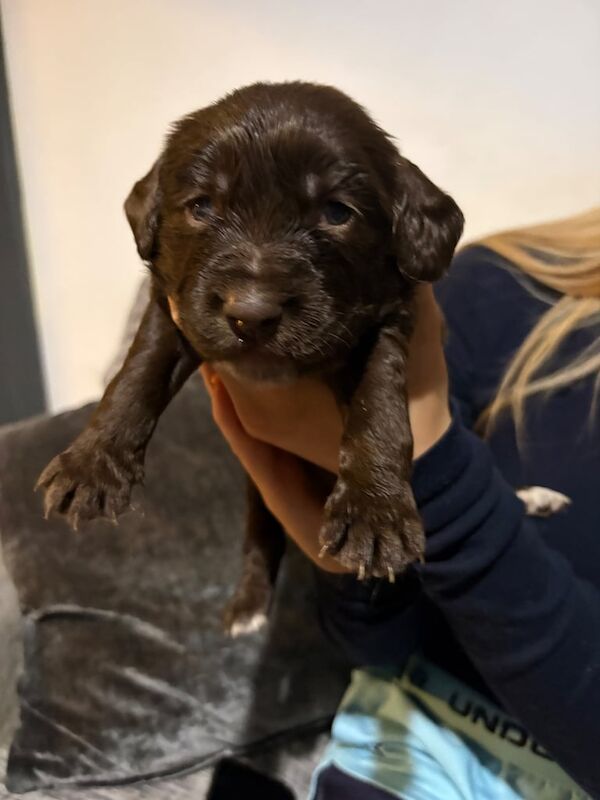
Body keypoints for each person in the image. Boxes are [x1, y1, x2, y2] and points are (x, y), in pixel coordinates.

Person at [201, 208, 600, 800]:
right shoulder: (510, 285)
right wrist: (345, 557)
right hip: (401, 761)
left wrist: (431, 473)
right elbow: (380, 641)